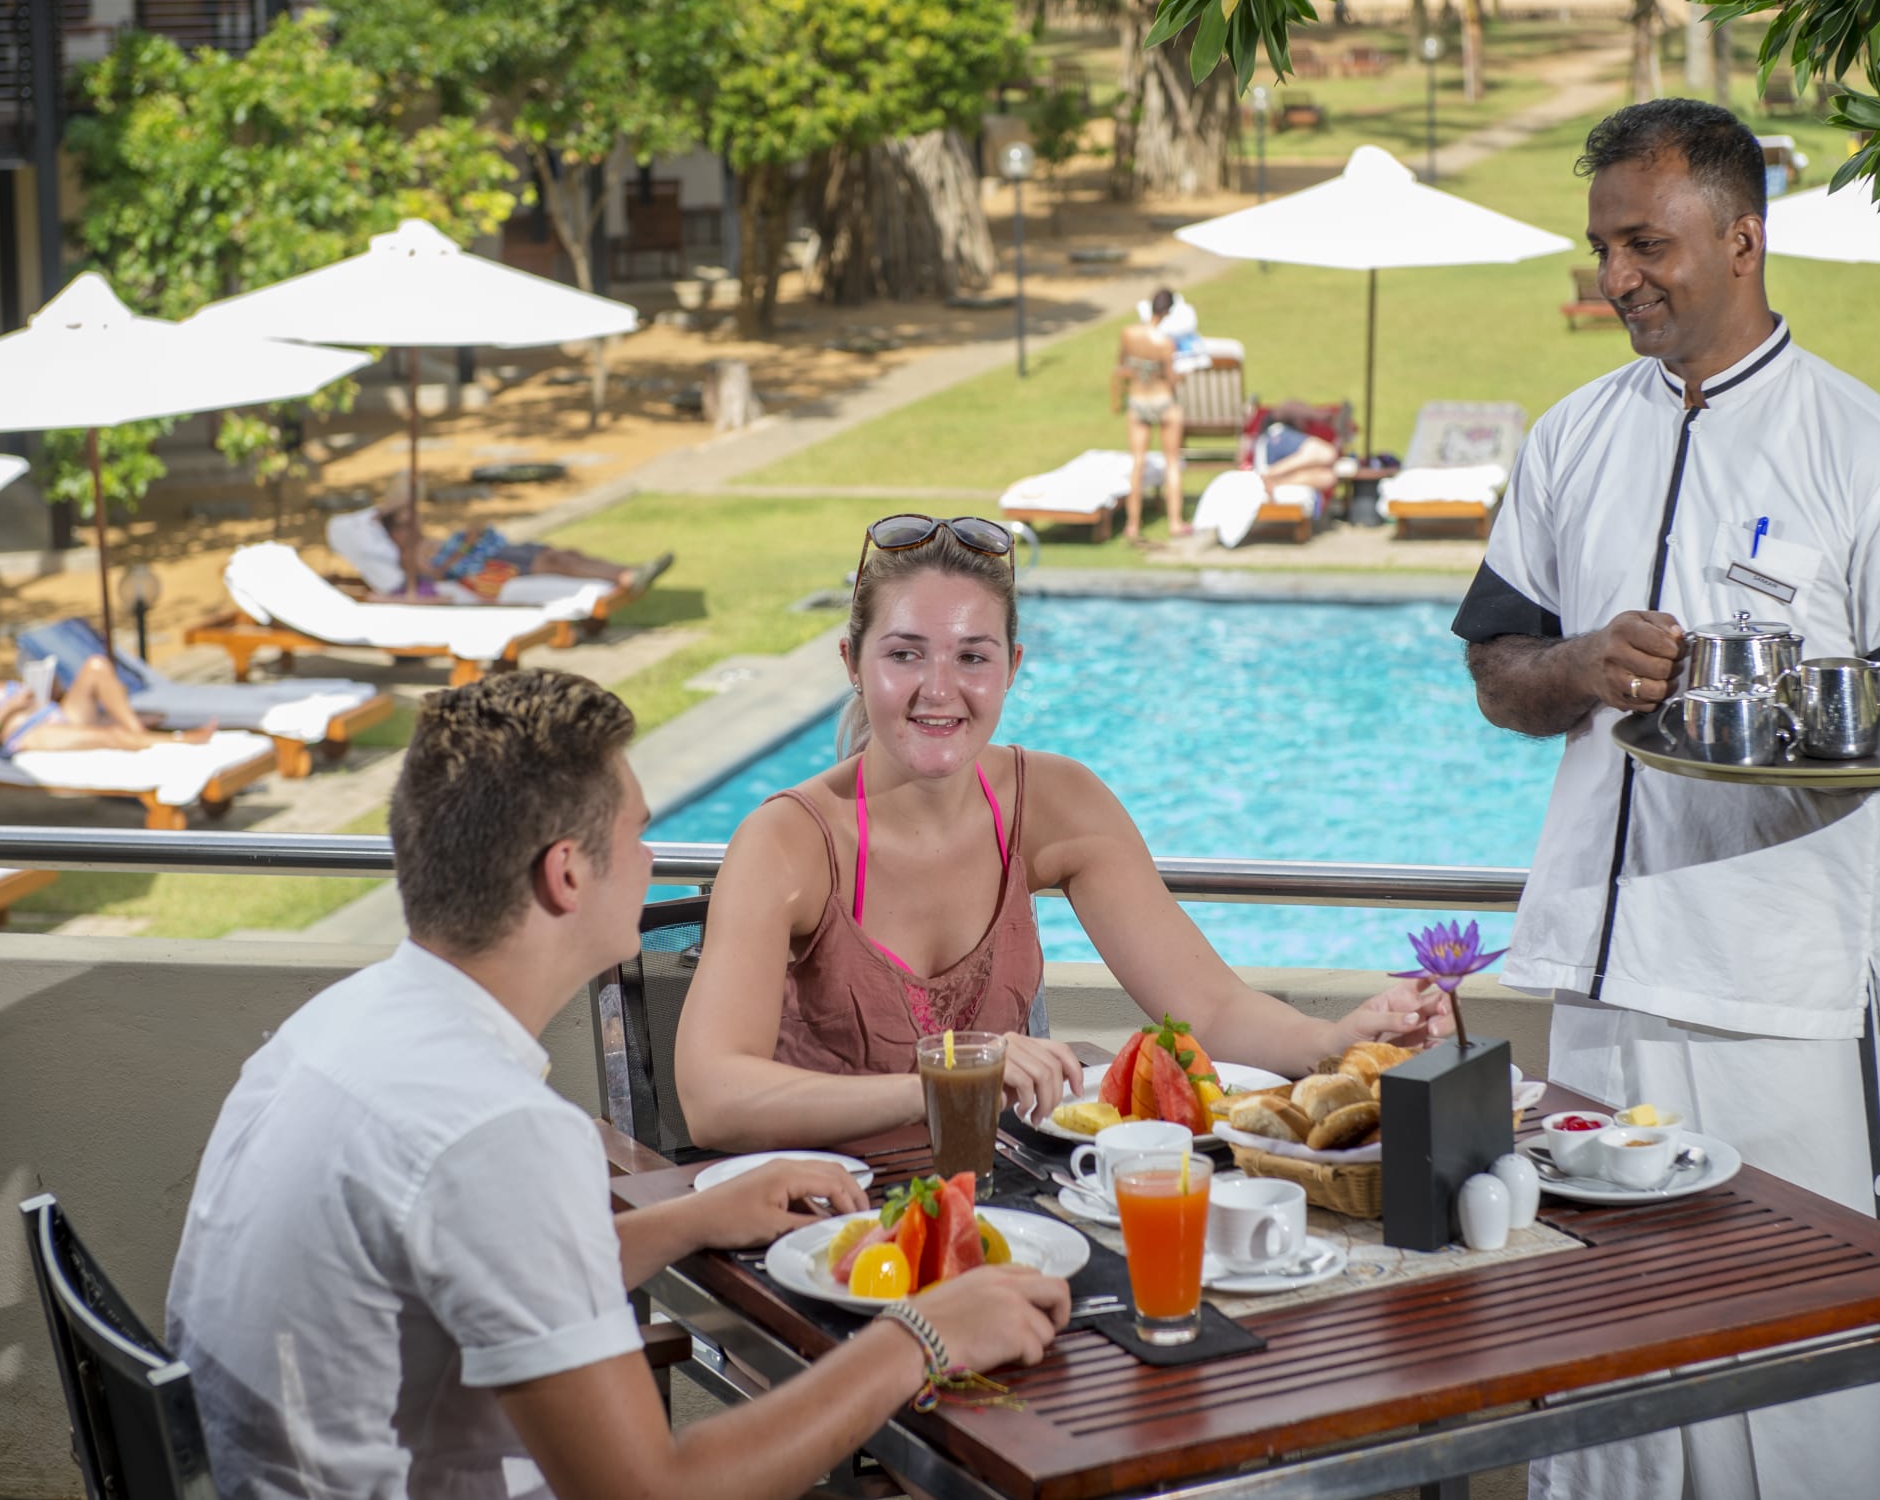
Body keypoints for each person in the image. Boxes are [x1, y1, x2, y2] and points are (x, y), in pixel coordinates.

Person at [166, 670, 1070, 1500]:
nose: (648, 859)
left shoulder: (336, 1031)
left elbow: (478, 1265)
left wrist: (689, 1222)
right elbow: (651, 1491)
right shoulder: (496, 1132)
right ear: (566, 874)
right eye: (637, 833)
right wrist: (922, 1337)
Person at [1450, 101, 1880, 1500]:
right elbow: (1498, 675)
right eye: (1601, 247)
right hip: (1598, 986)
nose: (1615, 276)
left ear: (1742, 240)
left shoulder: (1872, 460)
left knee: (1802, 1367)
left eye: (1646, 244)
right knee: (1602, 1367)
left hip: (1779, 994)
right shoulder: (1567, 439)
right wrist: (1578, 664)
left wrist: (1780, 724)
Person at [674, 514, 1452, 1152]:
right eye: (904, 654)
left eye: (972, 657)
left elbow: (1210, 1010)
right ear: (852, 662)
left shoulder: (1054, 802)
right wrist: (949, 1083)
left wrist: (1338, 1041)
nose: (938, 689)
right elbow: (714, 1098)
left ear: (1011, 667)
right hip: (825, 1230)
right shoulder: (786, 844)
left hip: (1014, 1216)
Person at [375, 479, 672, 603]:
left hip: (495, 549)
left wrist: (472, 536)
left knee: (568, 553)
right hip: (491, 566)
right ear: (395, 534)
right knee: (557, 561)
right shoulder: (408, 556)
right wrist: (466, 544)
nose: (415, 524)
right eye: (406, 523)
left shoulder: (426, 540)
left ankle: (631, 570)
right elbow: (439, 574)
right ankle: (626, 577)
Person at [0, 627, 212, 753]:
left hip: (54, 713)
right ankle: (182, 741)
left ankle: (137, 731)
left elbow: (53, 698)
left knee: (96, 665)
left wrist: (48, 687)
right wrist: (7, 709)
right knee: (112, 735)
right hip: (30, 733)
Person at [1112, 308, 1188, 542]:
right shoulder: (1166, 343)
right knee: (1172, 462)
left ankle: (1133, 524)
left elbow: (1122, 366)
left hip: (1139, 400)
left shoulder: (1128, 333)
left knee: (1138, 462)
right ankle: (1175, 522)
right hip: (1163, 400)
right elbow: (1172, 378)